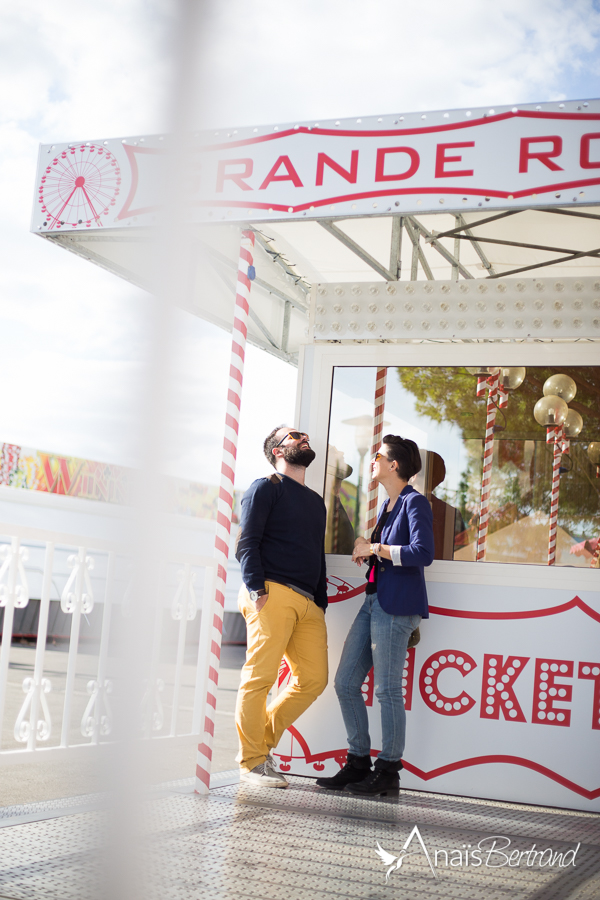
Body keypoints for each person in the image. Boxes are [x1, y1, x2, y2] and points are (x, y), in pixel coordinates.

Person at [317, 435, 434, 796]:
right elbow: (381, 550)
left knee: (386, 690)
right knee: (346, 683)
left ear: (393, 465)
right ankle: (357, 762)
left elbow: (422, 552)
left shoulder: (415, 503)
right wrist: (362, 547)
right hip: (374, 600)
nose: (372, 461)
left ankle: (388, 770)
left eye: (378, 456)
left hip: (396, 605)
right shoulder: (389, 504)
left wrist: (377, 548)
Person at [235, 426, 328, 788]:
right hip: (270, 591)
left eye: (306, 435)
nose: (304, 438)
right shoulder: (265, 487)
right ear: (277, 450)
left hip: (307, 603)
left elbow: (315, 555)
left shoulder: (315, 501)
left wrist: (319, 601)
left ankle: (261, 746)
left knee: (314, 679)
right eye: (294, 436)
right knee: (260, 678)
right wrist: (257, 588)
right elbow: (247, 543)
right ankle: (252, 763)